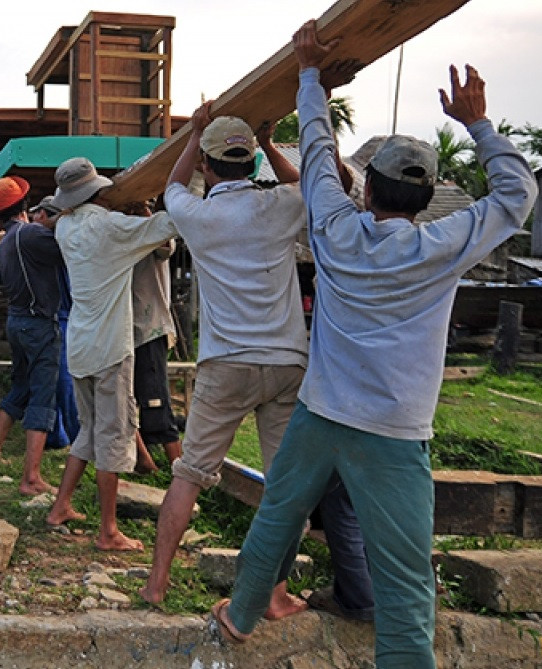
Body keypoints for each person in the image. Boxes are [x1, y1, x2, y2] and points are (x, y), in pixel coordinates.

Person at [212, 20, 537, 668]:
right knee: (403, 575)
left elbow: (312, 148)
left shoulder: (335, 229)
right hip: (394, 432)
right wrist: (476, 123)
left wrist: (309, 76)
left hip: (322, 411)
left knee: (277, 514)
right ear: (423, 199)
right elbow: (517, 194)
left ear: (368, 189)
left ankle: (240, 614)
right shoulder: (441, 246)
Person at [138, 103, 319, 618]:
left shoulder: (199, 215)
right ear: (252, 162)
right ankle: (275, 594)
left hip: (226, 365)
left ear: (208, 166)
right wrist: (269, 145)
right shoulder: (281, 204)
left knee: (190, 473)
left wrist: (193, 135)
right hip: (287, 363)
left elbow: (172, 186)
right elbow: (314, 187)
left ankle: (156, 585)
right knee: (284, 486)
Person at [43, 157, 180, 551]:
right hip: (110, 349)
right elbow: (169, 228)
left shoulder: (65, 227)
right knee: (114, 435)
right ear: (99, 192)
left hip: (81, 345)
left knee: (88, 431)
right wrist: (146, 208)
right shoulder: (110, 227)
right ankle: (108, 531)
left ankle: (60, 507)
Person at [0, 177, 67, 495]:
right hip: (39, 324)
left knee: (19, 388)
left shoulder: (4, 243)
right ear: (25, 206)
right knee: (43, 396)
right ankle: (31, 478)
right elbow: (69, 250)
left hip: (16, 322)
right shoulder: (30, 234)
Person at [129, 216, 183, 474]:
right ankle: (145, 459)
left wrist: (144, 214)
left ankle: (178, 469)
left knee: (155, 400)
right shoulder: (123, 232)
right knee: (133, 395)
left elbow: (166, 247)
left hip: (150, 328)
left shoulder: (156, 232)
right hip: (128, 329)